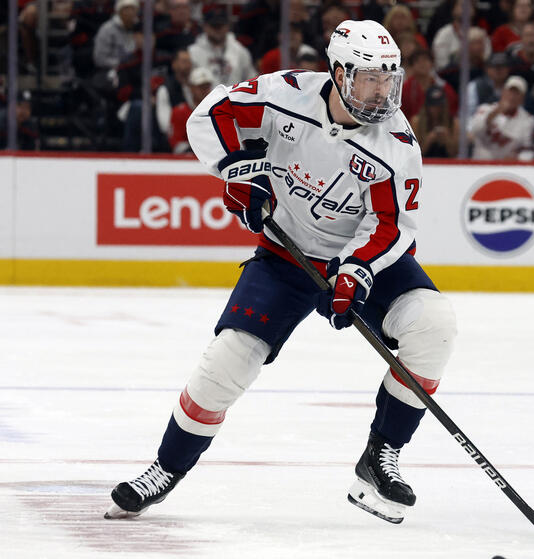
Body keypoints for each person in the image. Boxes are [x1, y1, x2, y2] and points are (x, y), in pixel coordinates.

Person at [104, 19, 457, 525]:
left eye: (388, 80)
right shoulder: (286, 95)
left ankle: (381, 456)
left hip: (360, 261)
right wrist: (237, 170)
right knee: (227, 361)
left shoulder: (396, 144)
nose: (382, 93)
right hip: (285, 257)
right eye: (369, 80)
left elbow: (391, 226)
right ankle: (165, 468)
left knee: (435, 325)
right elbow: (211, 116)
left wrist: (356, 271)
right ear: (339, 73)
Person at [469, 75, 534, 160]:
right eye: (510, 92)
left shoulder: (528, 120)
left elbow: (527, 150)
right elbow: (474, 131)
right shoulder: (485, 109)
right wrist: (494, 113)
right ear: (503, 92)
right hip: (481, 162)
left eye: (517, 93)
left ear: (522, 98)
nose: (512, 96)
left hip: (508, 165)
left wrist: (518, 158)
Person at [188, 6, 256, 86]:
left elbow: (251, 79)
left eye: (221, 25)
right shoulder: (193, 52)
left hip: (234, 93)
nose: (218, 30)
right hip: (207, 94)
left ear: (228, 26)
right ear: (205, 26)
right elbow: (189, 83)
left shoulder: (240, 51)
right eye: (214, 26)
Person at [169, 67, 214, 153]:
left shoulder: (219, 111)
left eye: (207, 86)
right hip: (188, 158)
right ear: (191, 88)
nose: (205, 90)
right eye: (201, 87)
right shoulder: (179, 112)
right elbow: (177, 144)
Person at [411, 85, 459, 157]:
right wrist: (429, 140)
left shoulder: (453, 122)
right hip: (424, 161)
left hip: (446, 161)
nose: (436, 109)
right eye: (433, 106)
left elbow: (455, 154)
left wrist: (447, 140)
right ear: (426, 106)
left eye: (439, 106)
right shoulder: (417, 122)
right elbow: (414, 154)